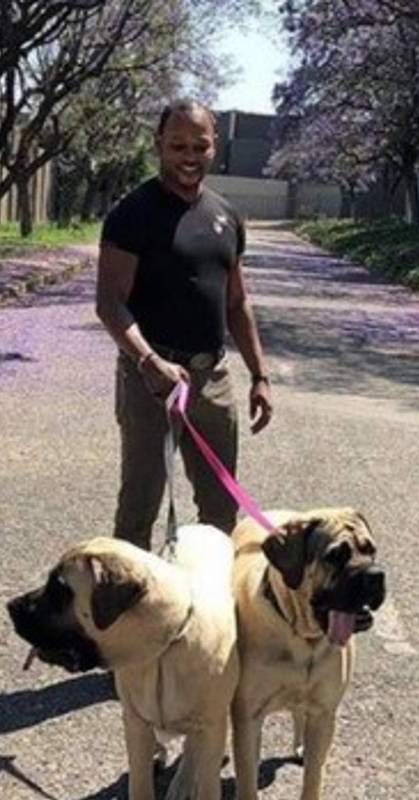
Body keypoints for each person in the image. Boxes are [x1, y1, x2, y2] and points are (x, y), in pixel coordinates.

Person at [95, 99, 273, 550]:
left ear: (215, 148)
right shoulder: (132, 213)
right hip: (149, 379)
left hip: (211, 378)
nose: (189, 157)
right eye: (177, 145)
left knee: (220, 511)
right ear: (159, 145)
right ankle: (126, 612)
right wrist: (148, 360)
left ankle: (206, 611)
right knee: (139, 507)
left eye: (200, 145)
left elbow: (237, 302)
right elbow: (110, 302)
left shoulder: (227, 217)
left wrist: (260, 375)